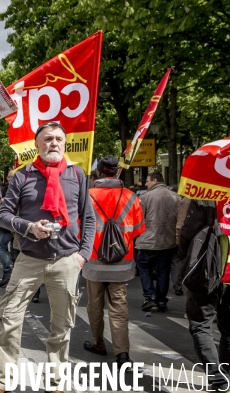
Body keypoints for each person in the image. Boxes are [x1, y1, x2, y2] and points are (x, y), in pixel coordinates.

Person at [0, 121, 96, 393]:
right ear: (37, 145)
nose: (54, 143)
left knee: (62, 326)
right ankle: (3, 381)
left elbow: (89, 218)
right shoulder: (23, 176)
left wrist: (82, 256)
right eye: (47, 139)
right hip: (29, 259)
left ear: (65, 143)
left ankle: (55, 383)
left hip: (67, 261)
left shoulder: (78, 175)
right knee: (9, 319)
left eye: (59, 139)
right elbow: (2, 215)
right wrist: (29, 227)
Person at [180, 194, 230, 391]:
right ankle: (225, 377)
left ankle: (217, 377)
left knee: (200, 325)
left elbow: (188, 233)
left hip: (208, 272)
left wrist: (185, 261)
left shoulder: (209, 198)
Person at [82, 155, 145, 367]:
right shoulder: (130, 196)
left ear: (99, 172)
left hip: (93, 262)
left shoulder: (87, 196)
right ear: (116, 172)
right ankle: (122, 353)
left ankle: (98, 342)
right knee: (119, 307)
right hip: (122, 262)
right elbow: (138, 229)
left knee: (94, 305)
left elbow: (79, 228)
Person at [134, 171, 180, 312]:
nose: (146, 184)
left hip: (148, 241)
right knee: (163, 271)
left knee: (144, 268)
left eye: (147, 181)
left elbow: (138, 220)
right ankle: (161, 300)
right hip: (168, 241)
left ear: (154, 180)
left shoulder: (145, 197)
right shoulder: (176, 198)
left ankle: (150, 296)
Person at [0, 170, 17, 287]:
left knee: (1, 247)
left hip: (11, 226)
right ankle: (13, 275)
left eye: (11, 177)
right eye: (8, 177)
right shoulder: (6, 189)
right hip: (10, 226)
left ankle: (8, 273)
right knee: (14, 251)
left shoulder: (17, 188)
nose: (9, 179)